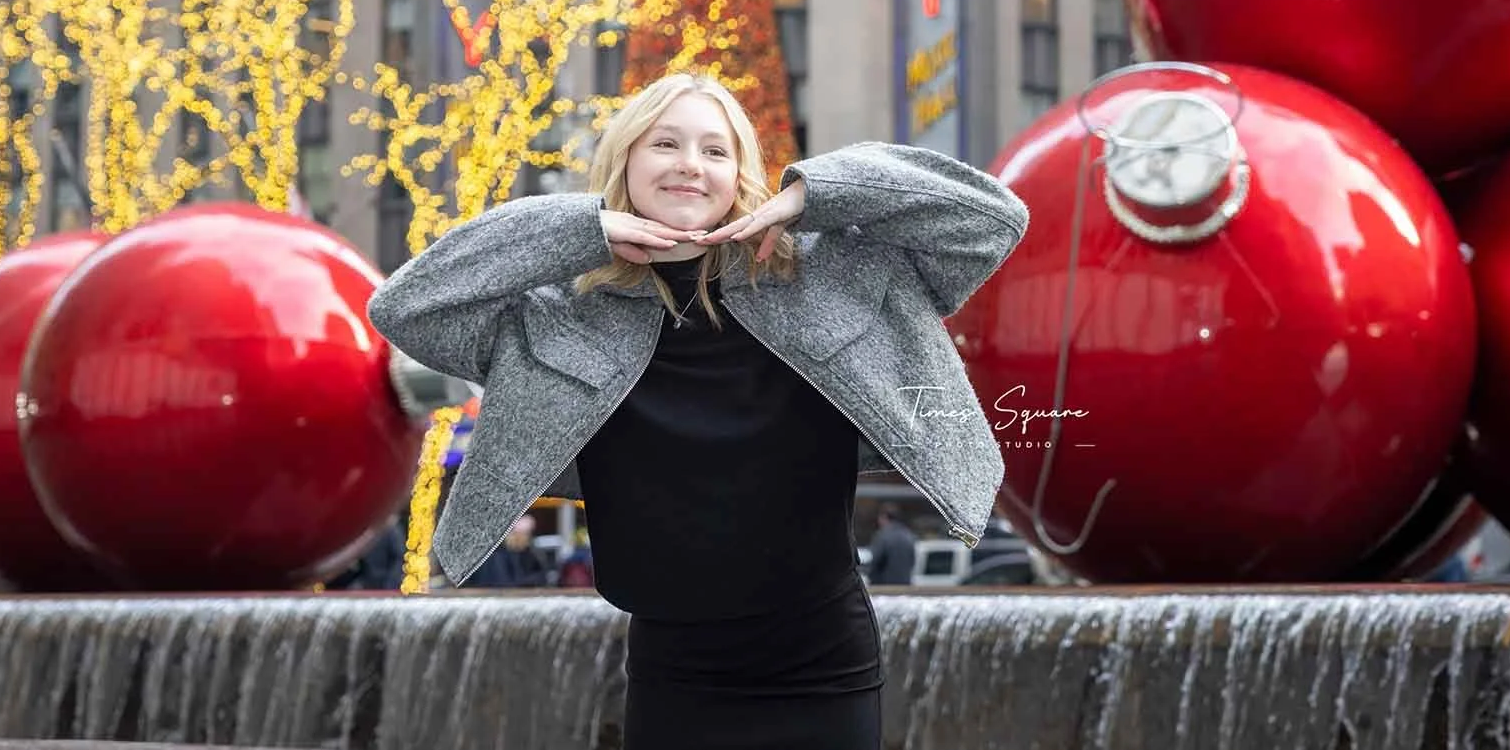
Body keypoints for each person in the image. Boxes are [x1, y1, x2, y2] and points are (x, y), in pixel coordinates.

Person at [367, 73, 1027, 750]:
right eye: (665, 143)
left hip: (820, 660)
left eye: (716, 150)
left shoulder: (824, 274)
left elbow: (992, 221)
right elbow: (407, 306)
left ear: (742, 173)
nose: (690, 163)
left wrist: (815, 194)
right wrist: (581, 228)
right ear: (626, 160)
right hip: (673, 671)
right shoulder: (563, 314)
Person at [465, 513, 551, 588]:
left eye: (525, 535)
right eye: (516, 534)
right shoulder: (496, 556)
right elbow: (503, 583)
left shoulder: (529, 554)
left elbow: (541, 577)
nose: (521, 539)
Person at [865, 506, 917, 587]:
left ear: (885, 518)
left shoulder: (883, 536)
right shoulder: (908, 535)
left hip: (884, 586)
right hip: (905, 585)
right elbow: (912, 560)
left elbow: (876, 561)